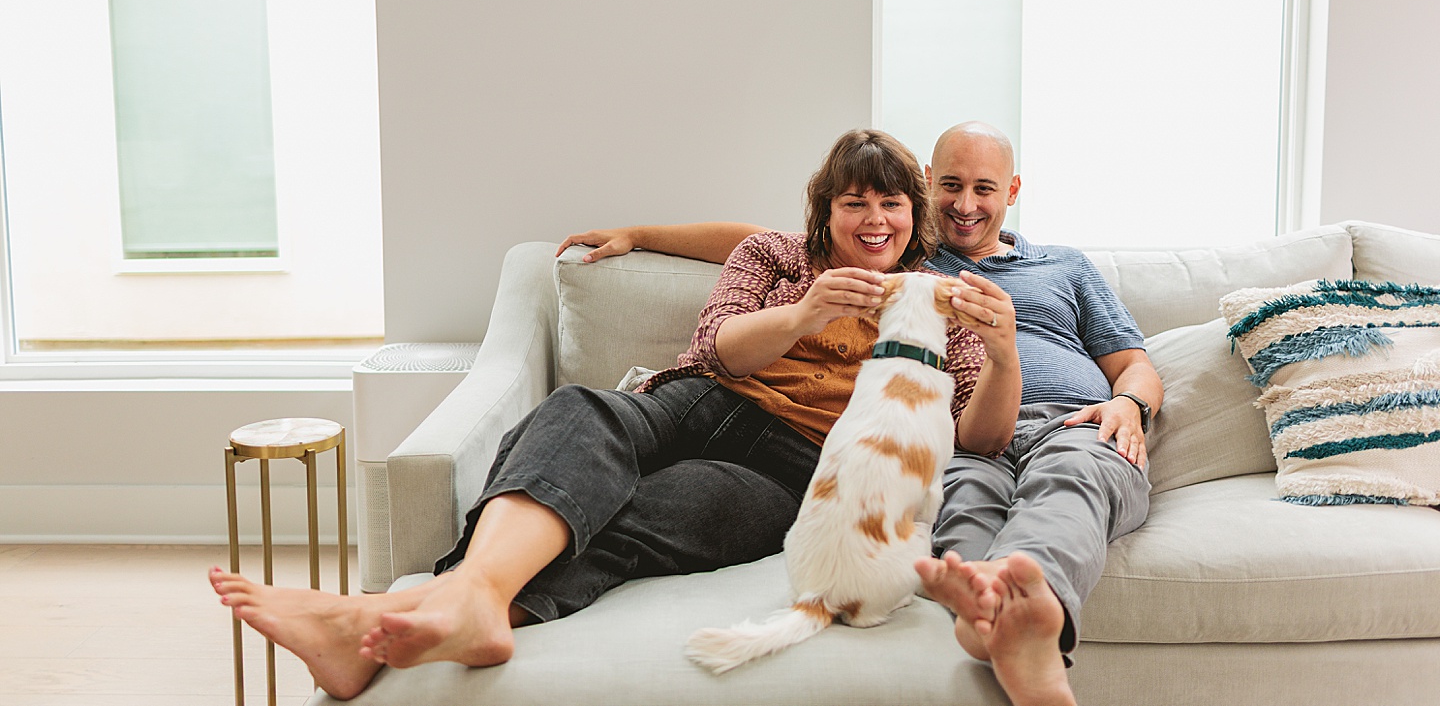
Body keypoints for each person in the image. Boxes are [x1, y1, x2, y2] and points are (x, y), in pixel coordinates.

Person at [209, 128, 1023, 701]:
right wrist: (804, 313)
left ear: (913, 216)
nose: (874, 220)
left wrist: (1004, 353)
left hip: (794, 467)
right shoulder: (776, 257)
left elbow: (972, 433)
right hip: (703, 398)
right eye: (855, 203)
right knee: (576, 416)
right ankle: (473, 598)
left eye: (891, 204)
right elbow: (718, 347)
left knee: (631, 523)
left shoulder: (937, 302)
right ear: (826, 210)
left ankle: (388, 616)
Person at [559, 121, 1164, 706]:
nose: (965, 205)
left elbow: (1136, 364)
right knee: (961, 499)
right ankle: (985, 617)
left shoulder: (1063, 266)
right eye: (950, 186)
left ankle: (1028, 619)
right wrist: (637, 233)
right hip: (955, 436)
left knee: (1069, 479)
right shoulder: (907, 266)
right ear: (929, 186)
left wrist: (1129, 403)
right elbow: (768, 241)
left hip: (1072, 420)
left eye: (984, 189)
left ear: (1012, 191)